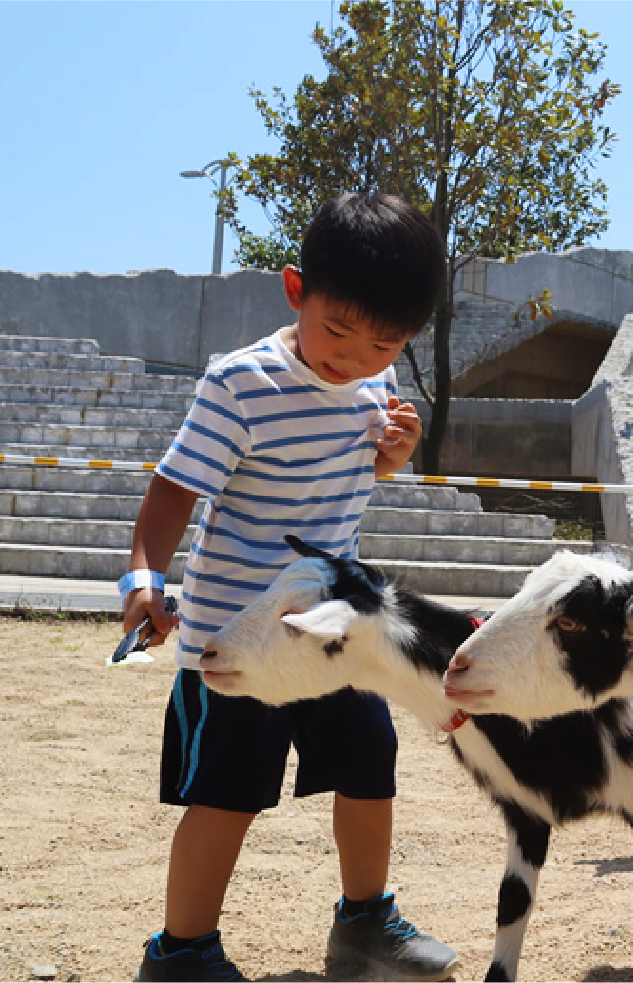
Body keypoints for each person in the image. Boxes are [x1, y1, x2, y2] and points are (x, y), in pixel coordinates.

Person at [120, 193, 459, 983]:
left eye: (384, 342)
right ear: (294, 291)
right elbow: (173, 490)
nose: (354, 356)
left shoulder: (377, 390)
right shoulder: (240, 384)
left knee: (372, 759)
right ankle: (181, 952)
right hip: (236, 636)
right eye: (338, 330)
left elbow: (355, 467)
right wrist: (145, 577)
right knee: (230, 793)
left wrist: (392, 455)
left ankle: (365, 923)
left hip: (329, 629)